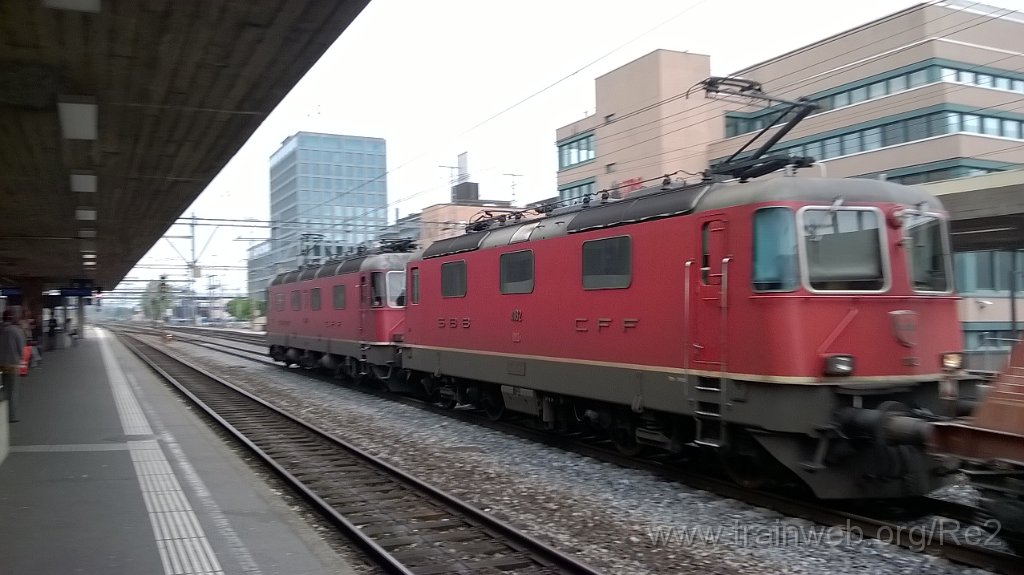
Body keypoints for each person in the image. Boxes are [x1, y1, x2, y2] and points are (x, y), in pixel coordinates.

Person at [1, 308, 27, 423]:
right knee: (12, 391)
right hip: (12, 364)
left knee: (3, 389)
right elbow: (22, 350)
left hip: (0, 364)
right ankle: (11, 416)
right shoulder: (16, 331)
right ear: (13, 318)